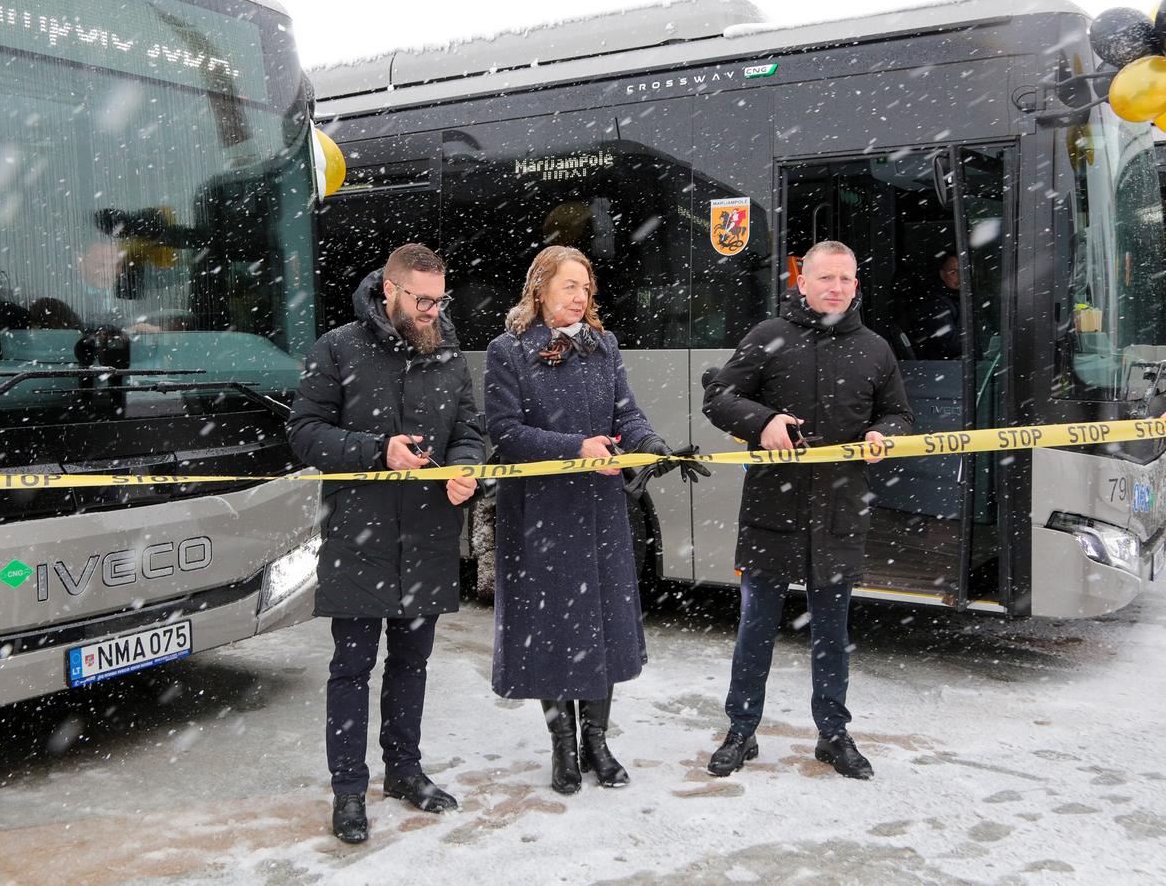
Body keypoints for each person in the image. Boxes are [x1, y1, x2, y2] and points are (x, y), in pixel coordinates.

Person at [484, 244, 704, 795]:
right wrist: (574, 447)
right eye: (569, 287)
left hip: (600, 512)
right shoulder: (508, 351)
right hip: (539, 513)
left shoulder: (603, 346)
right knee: (553, 630)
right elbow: (507, 434)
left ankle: (597, 743)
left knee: (599, 628)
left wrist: (652, 445)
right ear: (540, 290)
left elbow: (625, 412)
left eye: (586, 287)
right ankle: (562, 746)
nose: (581, 297)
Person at [287, 243, 484, 844]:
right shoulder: (338, 347)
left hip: (426, 538)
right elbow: (304, 433)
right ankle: (349, 791)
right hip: (359, 538)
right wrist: (378, 451)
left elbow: (469, 432)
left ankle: (404, 771)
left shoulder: (449, 355)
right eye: (421, 299)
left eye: (439, 299)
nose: (432, 311)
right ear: (390, 291)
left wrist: (465, 471)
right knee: (351, 668)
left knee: (412, 664)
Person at [702, 240, 913, 781]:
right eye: (825, 278)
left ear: (855, 284)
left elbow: (899, 415)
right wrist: (761, 422)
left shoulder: (875, 349)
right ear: (803, 282)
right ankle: (741, 730)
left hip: (841, 513)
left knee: (832, 632)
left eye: (845, 279)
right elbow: (719, 397)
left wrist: (883, 432)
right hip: (773, 509)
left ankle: (833, 735)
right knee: (756, 626)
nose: (835, 288)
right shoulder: (768, 336)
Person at [902, 252, 962, 359]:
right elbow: (950, 345)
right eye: (953, 272)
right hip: (946, 367)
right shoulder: (937, 304)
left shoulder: (959, 298)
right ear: (942, 275)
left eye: (962, 271)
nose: (959, 277)